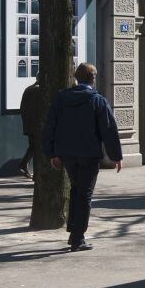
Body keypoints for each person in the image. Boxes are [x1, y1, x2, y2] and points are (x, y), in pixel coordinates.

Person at [42, 63, 123, 252]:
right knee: (84, 193)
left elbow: (50, 127)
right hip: (89, 155)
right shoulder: (97, 101)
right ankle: (78, 237)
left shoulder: (61, 99)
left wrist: (52, 153)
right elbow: (109, 130)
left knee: (76, 190)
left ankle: (74, 233)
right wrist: (116, 156)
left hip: (67, 154)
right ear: (92, 79)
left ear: (77, 78)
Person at [18, 76, 41, 179]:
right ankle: (36, 174)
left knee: (33, 147)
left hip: (30, 124)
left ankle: (24, 164)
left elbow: (22, 108)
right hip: (38, 125)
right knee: (38, 149)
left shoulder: (29, 89)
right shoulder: (39, 90)